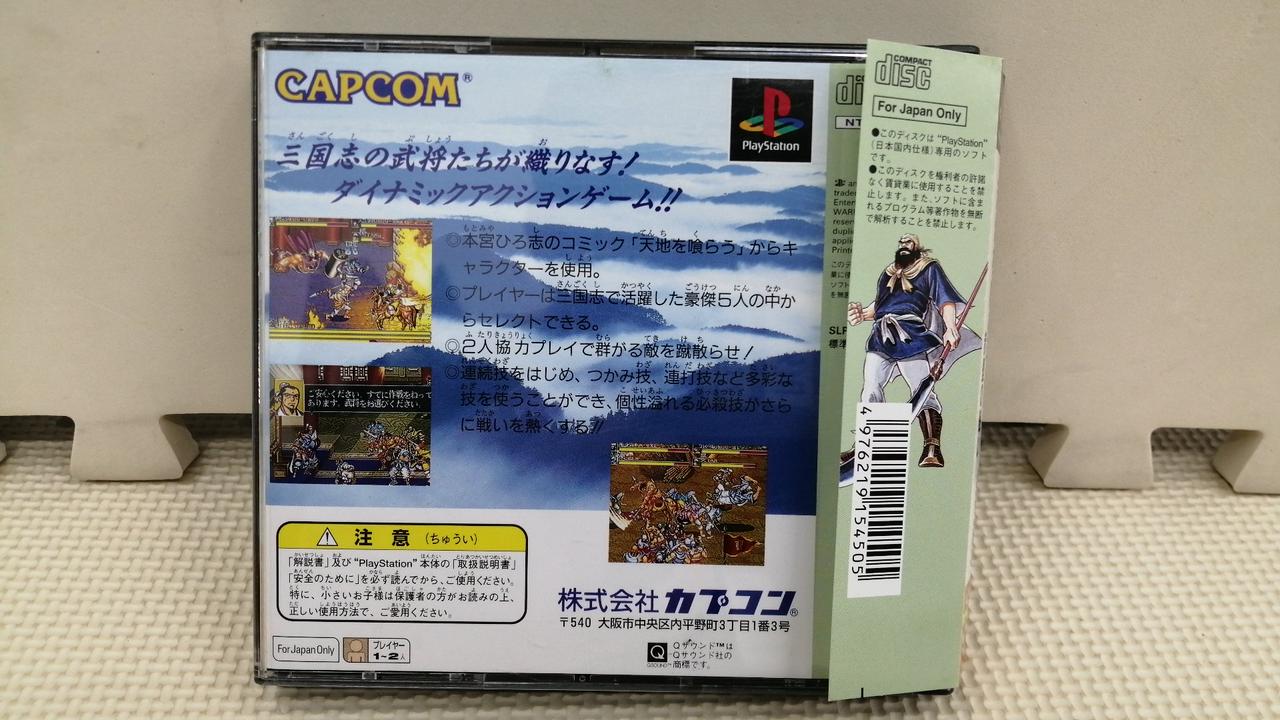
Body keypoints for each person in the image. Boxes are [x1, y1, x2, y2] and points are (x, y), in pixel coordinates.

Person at [843, 233, 981, 467]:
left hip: (911, 336)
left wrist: (950, 327)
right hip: (880, 337)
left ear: (917, 247)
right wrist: (861, 314)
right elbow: (880, 306)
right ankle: (866, 447)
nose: (903, 246)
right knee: (870, 389)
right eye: (901, 243)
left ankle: (932, 448)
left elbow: (944, 300)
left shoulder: (928, 268)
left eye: (908, 243)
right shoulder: (889, 273)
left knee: (921, 389)